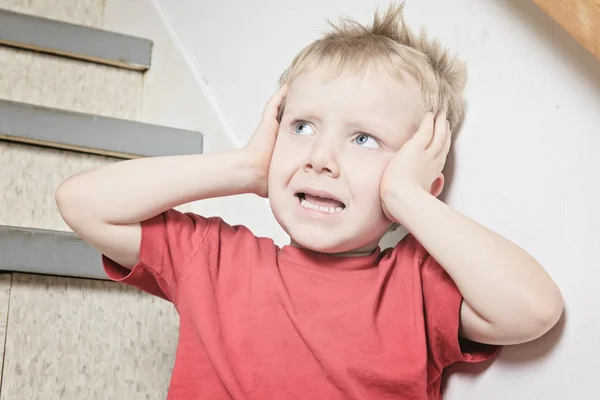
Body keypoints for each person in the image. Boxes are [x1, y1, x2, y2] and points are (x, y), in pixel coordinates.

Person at [55, 3, 563, 399]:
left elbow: (533, 309)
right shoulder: (212, 259)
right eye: (302, 127)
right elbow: (81, 203)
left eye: (363, 139)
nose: (321, 158)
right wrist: (246, 167)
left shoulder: (417, 287)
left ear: (416, 180)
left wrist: (408, 198)